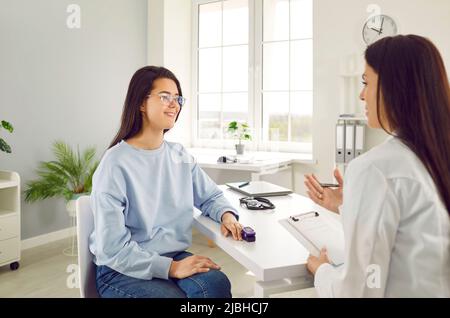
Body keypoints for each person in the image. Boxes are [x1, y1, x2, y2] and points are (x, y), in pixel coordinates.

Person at [304, 35, 450, 297]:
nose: (361, 95)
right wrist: (345, 203)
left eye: (366, 82)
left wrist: (323, 271)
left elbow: (358, 290)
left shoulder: (375, 169)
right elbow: (416, 235)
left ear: (396, 87)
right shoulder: (437, 157)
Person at [89, 66, 243, 298]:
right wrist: (171, 268)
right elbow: (111, 248)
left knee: (215, 285)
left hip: (172, 255)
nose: (174, 104)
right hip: (122, 268)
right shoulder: (115, 163)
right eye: (165, 97)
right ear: (141, 103)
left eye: (177, 98)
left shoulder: (179, 155)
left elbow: (210, 196)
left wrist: (226, 215)